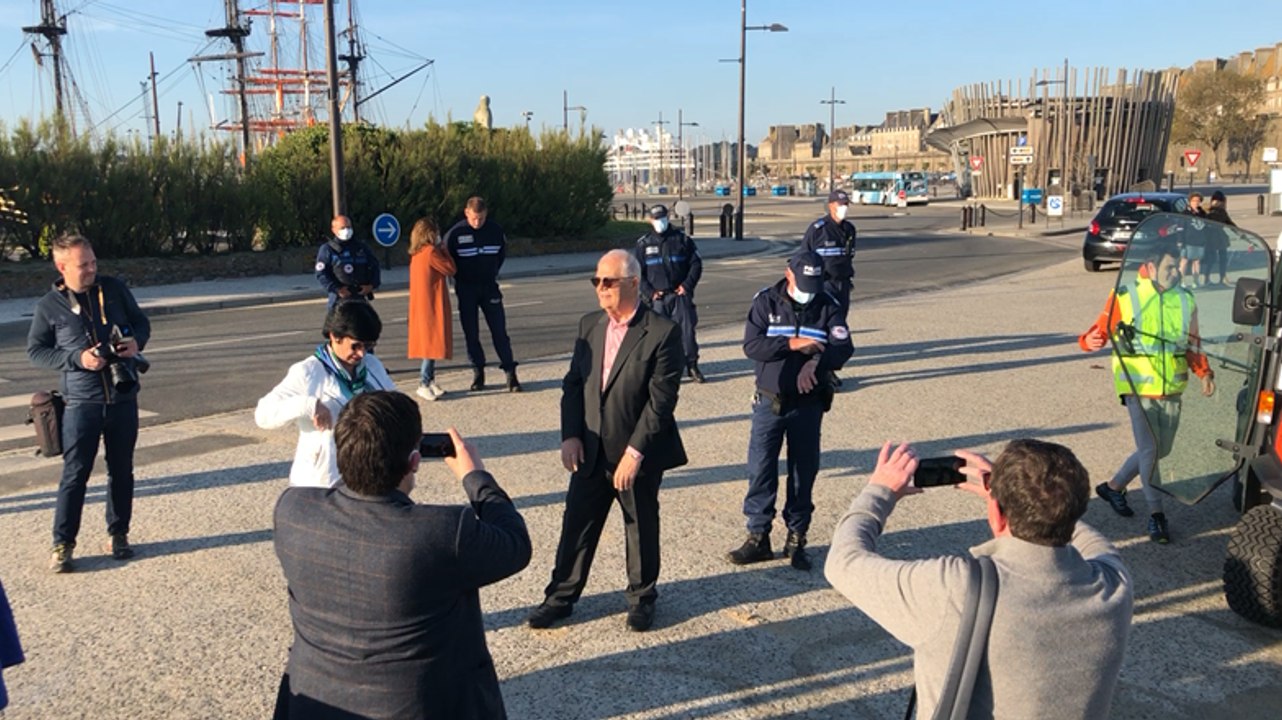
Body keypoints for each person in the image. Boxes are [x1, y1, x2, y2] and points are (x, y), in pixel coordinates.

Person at [825, 439, 1134, 719]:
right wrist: (1037, 503)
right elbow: (1087, 539)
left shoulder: (954, 587)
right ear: (1073, 508)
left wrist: (879, 490)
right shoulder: (1114, 586)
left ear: (997, 514)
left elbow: (842, 562)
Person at [273, 392, 531, 719]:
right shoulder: (441, 532)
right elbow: (515, 543)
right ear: (414, 461)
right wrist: (474, 476)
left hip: (314, 701)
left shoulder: (292, 510)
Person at [527, 249, 687, 632]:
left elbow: (660, 402)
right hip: (590, 450)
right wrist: (569, 436)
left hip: (636, 452)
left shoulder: (662, 332)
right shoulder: (589, 326)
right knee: (577, 525)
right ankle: (560, 598)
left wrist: (635, 453)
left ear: (633, 283)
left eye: (608, 281)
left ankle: (642, 599)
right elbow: (573, 386)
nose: (600, 288)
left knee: (640, 524)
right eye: (596, 280)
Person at [27, 234, 151, 572]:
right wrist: (78, 358)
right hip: (81, 403)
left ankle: (119, 533)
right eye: (84, 265)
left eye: (94, 262)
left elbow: (141, 322)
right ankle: (62, 544)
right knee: (75, 474)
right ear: (62, 266)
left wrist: (135, 342)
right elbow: (36, 351)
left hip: (122, 397)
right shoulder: (48, 307)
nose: (92, 269)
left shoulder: (113, 289)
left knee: (122, 470)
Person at [1080, 242, 1215, 543]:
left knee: (1158, 450)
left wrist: (1204, 372)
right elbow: (1095, 333)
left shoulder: (1185, 298)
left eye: (1179, 265)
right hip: (1138, 387)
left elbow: (1192, 342)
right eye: (1170, 266)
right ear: (1151, 268)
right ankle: (1156, 516)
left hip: (1172, 387)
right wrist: (1089, 340)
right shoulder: (1125, 296)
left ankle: (1112, 488)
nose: (1177, 272)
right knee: (1151, 452)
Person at [727, 250, 852, 570]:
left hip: (808, 405)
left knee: (803, 472)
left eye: (815, 282)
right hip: (770, 401)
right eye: (804, 281)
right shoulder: (766, 302)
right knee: (761, 469)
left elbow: (843, 346)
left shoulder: (827, 304)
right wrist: (793, 344)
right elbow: (751, 346)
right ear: (789, 274)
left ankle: (797, 537)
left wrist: (817, 361)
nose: (809, 289)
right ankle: (758, 536)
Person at [255, 301, 395, 488]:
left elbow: (395, 404)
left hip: (367, 475)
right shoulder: (308, 372)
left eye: (368, 345)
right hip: (322, 481)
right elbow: (263, 415)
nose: (362, 353)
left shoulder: (372, 365)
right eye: (355, 346)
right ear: (334, 336)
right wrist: (309, 405)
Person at [445, 196, 521, 392]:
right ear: (466, 213)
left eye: (481, 218)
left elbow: (501, 255)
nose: (477, 222)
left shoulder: (495, 231)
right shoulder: (456, 233)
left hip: (489, 286)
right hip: (466, 288)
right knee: (471, 333)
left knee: (499, 332)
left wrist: (491, 272)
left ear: (486, 214)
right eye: (474, 218)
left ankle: (510, 373)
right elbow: (446, 258)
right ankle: (478, 373)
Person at [635, 204, 705, 382]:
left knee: (686, 332)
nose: (661, 222)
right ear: (650, 220)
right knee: (657, 336)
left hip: (679, 295)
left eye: (663, 218)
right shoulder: (644, 244)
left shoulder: (682, 240)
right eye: (657, 218)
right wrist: (650, 293)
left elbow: (696, 264)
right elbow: (638, 273)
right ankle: (661, 369)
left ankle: (692, 365)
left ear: (668, 217)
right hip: (657, 299)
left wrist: (687, 286)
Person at [407, 217, 457, 401]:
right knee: (431, 345)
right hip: (431, 304)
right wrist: (444, 249)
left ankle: (431, 380)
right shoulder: (430, 253)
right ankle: (424, 381)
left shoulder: (417, 253)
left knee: (431, 344)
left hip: (421, 304)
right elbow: (450, 268)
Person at [800, 189, 857, 319]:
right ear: (831, 206)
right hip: (824, 283)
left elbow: (849, 256)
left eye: (846, 204)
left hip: (843, 283)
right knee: (824, 318)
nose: (844, 208)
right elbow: (804, 256)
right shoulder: (819, 229)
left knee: (840, 318)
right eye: (840, 204)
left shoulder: (849, 229)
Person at [315, 214, 381, 309]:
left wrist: (371, 285)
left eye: (348, 227)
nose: (346, 230)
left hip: (360, 296)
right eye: (342, 228)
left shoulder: (361, 247)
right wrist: (337, 289)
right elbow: (321, 273)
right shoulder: (328, 249)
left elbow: (374, 266)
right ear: (334, 230)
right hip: (338, 299)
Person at [1204, 190, 1236, 285]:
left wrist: (1238, 231)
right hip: (1210, 236)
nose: (1218, 203)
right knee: (1212, 258)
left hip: (1218, 236)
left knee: (1222, 258)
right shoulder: (1208, 211)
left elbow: (1229, 222)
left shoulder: (1222, 211)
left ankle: (1221, 277)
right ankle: (1208, 277)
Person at [1180, 192, 1207, 287]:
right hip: (1187, 241)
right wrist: (1180, 241)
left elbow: (1206, 227)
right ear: (1190, 202)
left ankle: (1196, 281)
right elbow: (1181, 227)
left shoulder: (1203, 214)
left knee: (1197, 261)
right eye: (1194, 201)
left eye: (1198, 201)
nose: (1196, 202)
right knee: (1184, 261)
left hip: (1200, 241)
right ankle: (1182, 281)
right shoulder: (1185, 213)